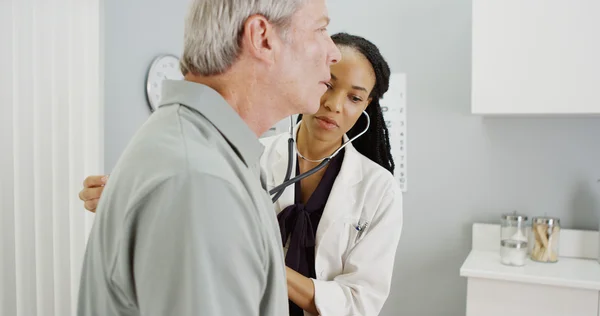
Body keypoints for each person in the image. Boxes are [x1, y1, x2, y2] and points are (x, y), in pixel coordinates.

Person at [79, 32, 403, 316]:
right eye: (328, 86)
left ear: (367, 106)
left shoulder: (378, 190)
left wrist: (265, 261)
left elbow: (359, 302)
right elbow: (201, 216)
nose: (333, 105)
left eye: (354, 97)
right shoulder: (249, 156)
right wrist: (136, 196)